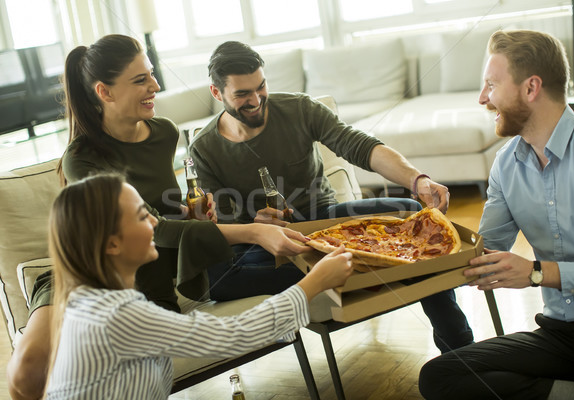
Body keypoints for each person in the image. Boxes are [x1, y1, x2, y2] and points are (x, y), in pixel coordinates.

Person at [7, 34, 312, 400]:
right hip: (82, 275)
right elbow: (153, 226)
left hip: (148, 270)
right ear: (105, 92)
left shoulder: (163, 132)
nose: (155, 86)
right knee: (28, 369)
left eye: (151, 74)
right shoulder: (82, 159)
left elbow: (160, 215)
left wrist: (192, 212)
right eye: (140, 80)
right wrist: (253, 232)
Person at [189, 40, 474, 354]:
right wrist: (255, 224)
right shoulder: (204, 149)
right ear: (217, 93)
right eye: (242, 94)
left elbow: (359, 146)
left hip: (323, 217)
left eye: (261, 87)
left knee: (410, 214)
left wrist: (417, 179)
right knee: (220, 276)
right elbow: (227, 225)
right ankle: (373, 269)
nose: (256, 100)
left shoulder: (299, 108)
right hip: (266, 244)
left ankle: (460, 349)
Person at [43, 173, 353, 398]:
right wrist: (315, 281)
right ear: (111, 243)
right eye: (142, 217)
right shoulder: (116, 315)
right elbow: (234, 336)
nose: (155, 223)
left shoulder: (91, 301)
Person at [419, 29, 574, 399]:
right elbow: (483, 255)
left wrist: (535, 272)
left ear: (531, 88)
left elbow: (531, 273)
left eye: (491, 84)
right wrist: (436, 231)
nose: (483, 98)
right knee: (439, 377)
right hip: (560, 335)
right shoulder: (506, 164)